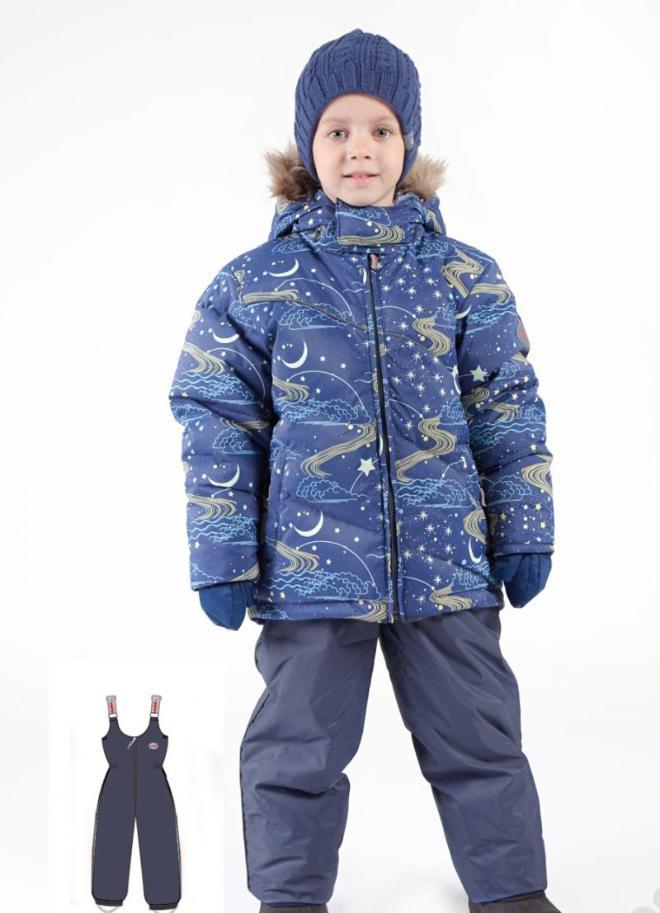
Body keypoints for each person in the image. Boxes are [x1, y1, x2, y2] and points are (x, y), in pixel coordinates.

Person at [168, 28, 561, 913]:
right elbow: (216, 419)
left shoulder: (465, 277)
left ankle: (510, 890)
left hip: (446, 563)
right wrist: (222, 552)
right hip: (313, 572)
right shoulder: (257, 283)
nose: (360, 149)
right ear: (307, 145)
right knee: (296, 747)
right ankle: (290, 896)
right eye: (338, 130)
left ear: (408, 144)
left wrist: (525, 528)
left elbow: (508, 407)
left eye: (381, 130)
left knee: (479, 736)